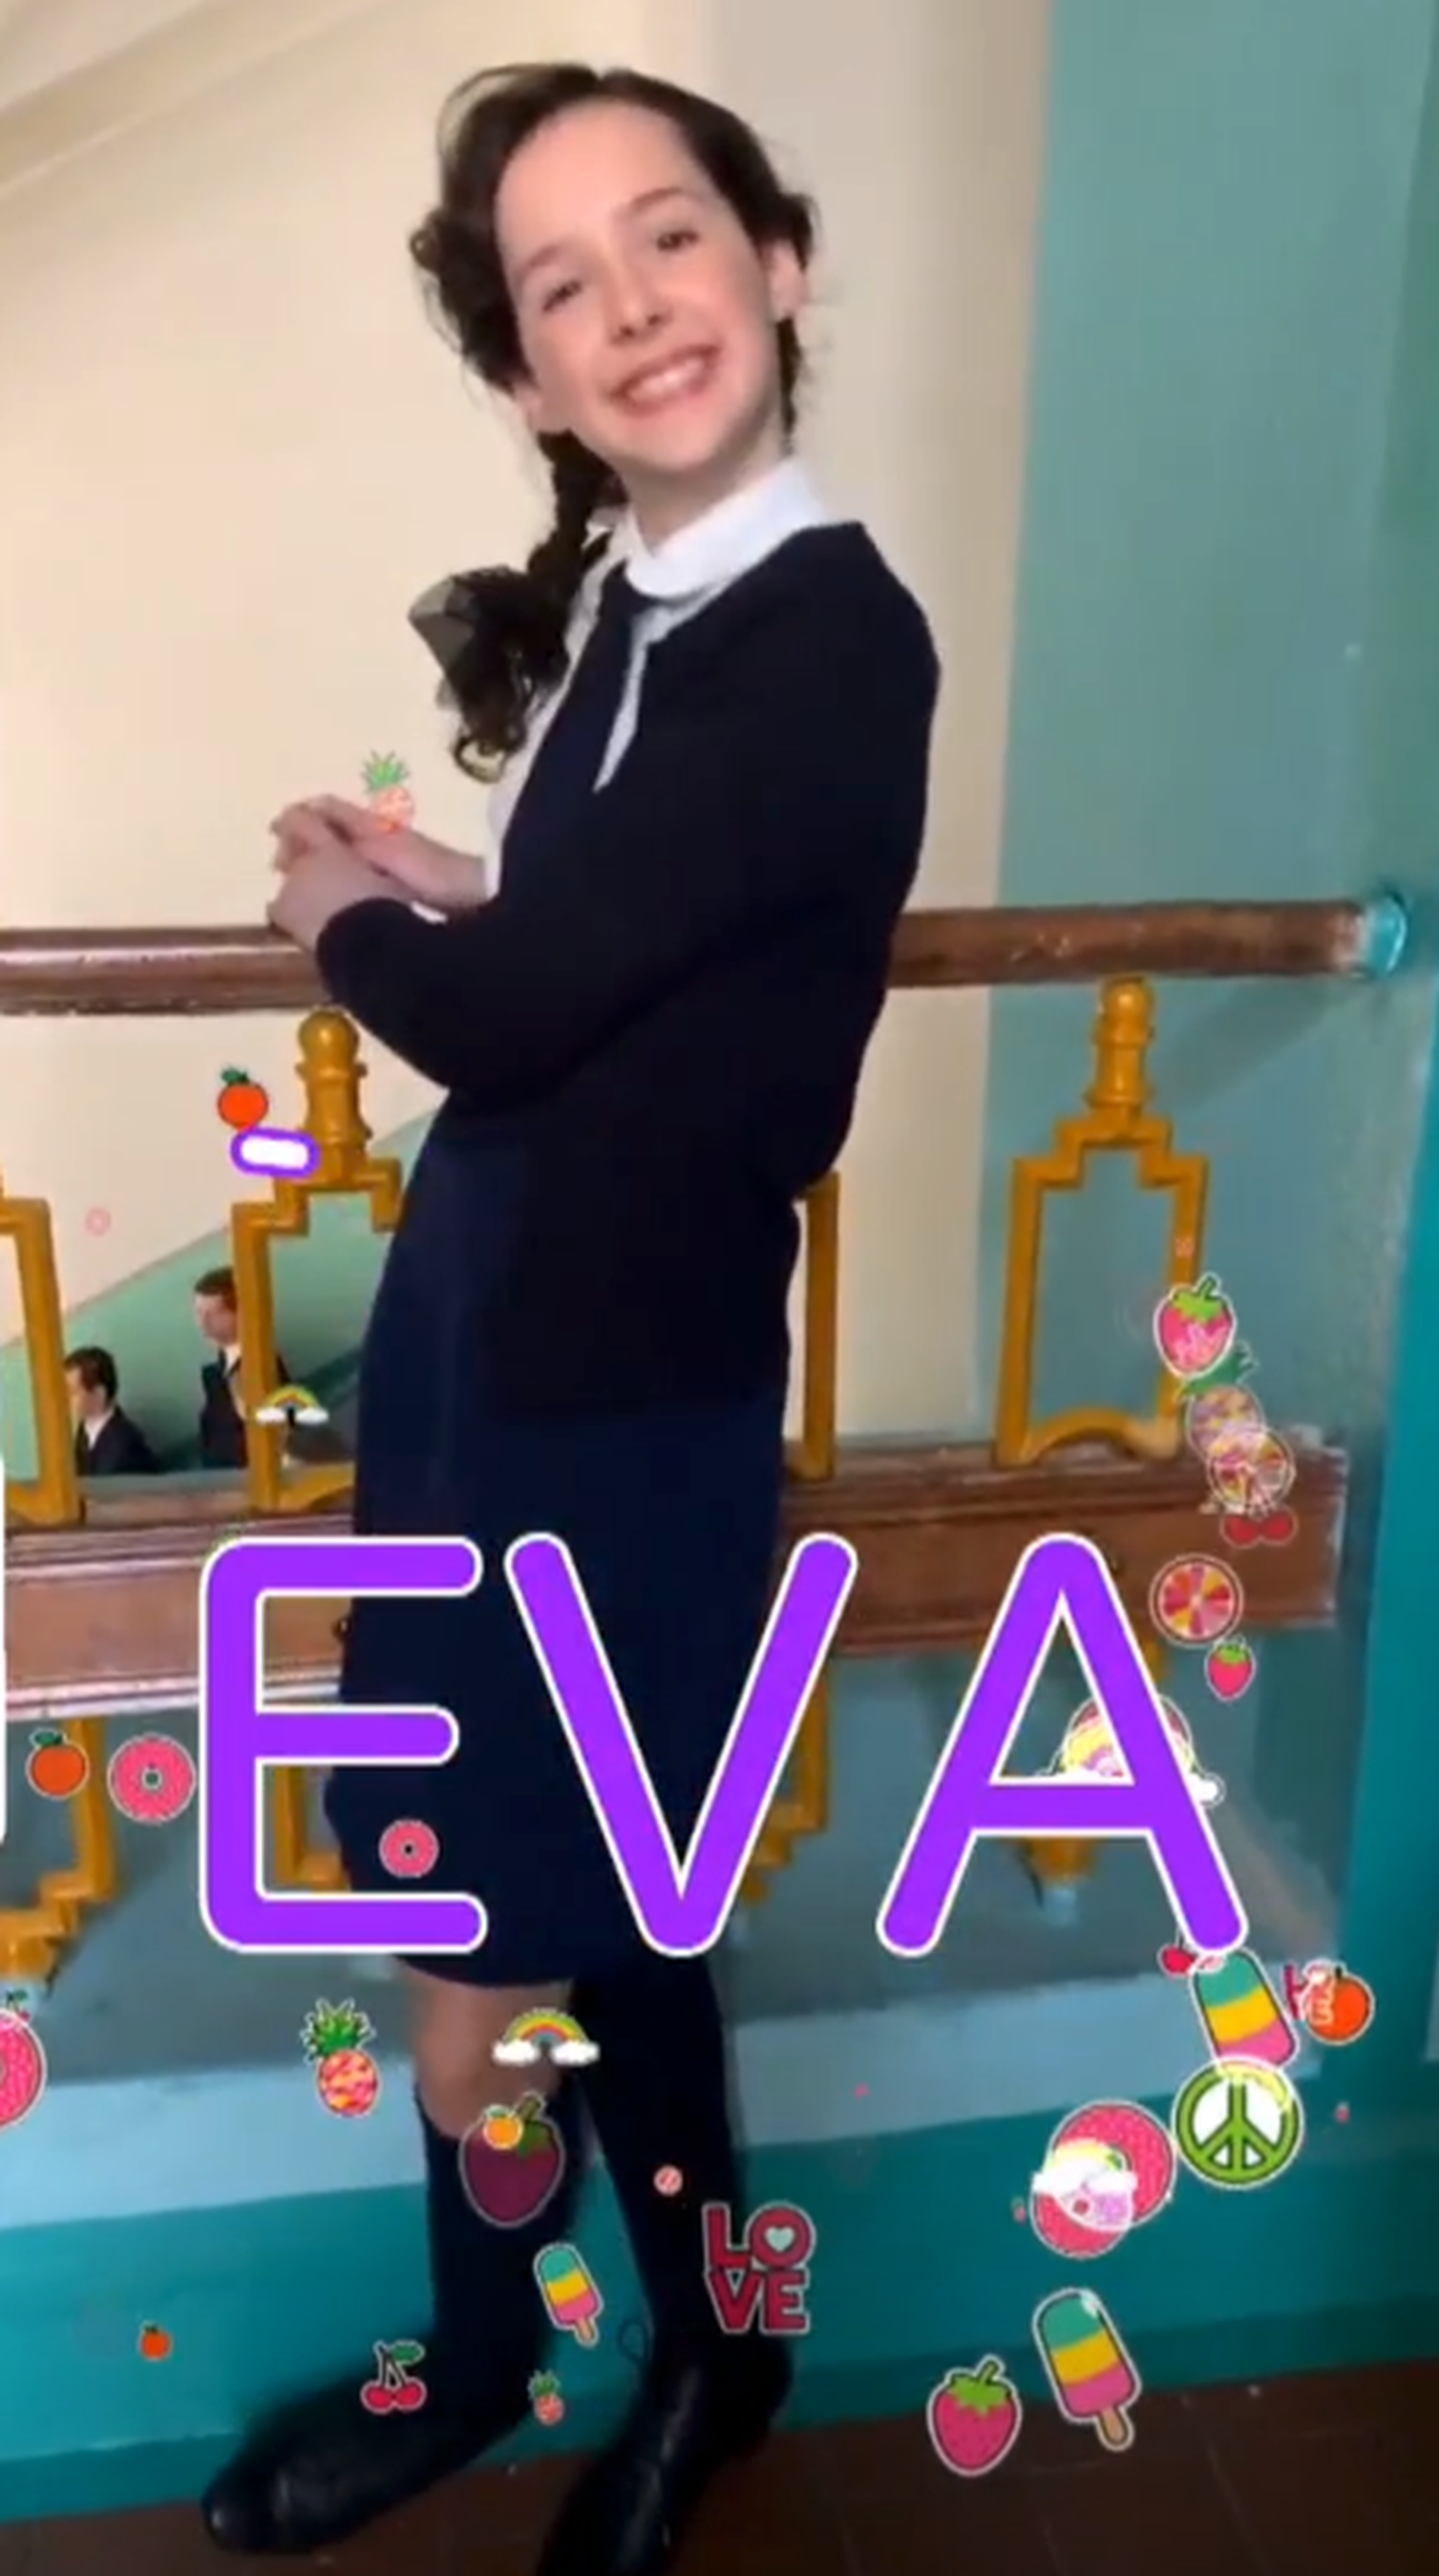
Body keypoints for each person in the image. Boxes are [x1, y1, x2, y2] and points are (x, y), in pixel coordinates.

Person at [203, 60, 939, 2576]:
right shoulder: (656, 596)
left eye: (673, 235)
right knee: (573, 1905)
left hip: (617, 1406)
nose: (633, 305)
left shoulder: (825, 638)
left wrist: (345, 923)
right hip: (492, 1345)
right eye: (562, 284)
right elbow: (616, 947)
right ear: (526, 374)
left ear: (779, 258)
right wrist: (449, 874)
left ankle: (535, 2348)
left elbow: (526, 1025)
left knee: (483, 1959)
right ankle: (657, 2346)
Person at [193, 1268, 290, 1469]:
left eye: (214, 1313)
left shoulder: (261, 1370)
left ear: (240, 1313)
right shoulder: (217, 1374)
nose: (203, 1323)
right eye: (199, 1313)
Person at [64, 1345, 159, 1476]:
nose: (64, 1398)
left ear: (99, 1393)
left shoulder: (125, 1445)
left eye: (72, 1392)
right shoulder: (83, 1433)